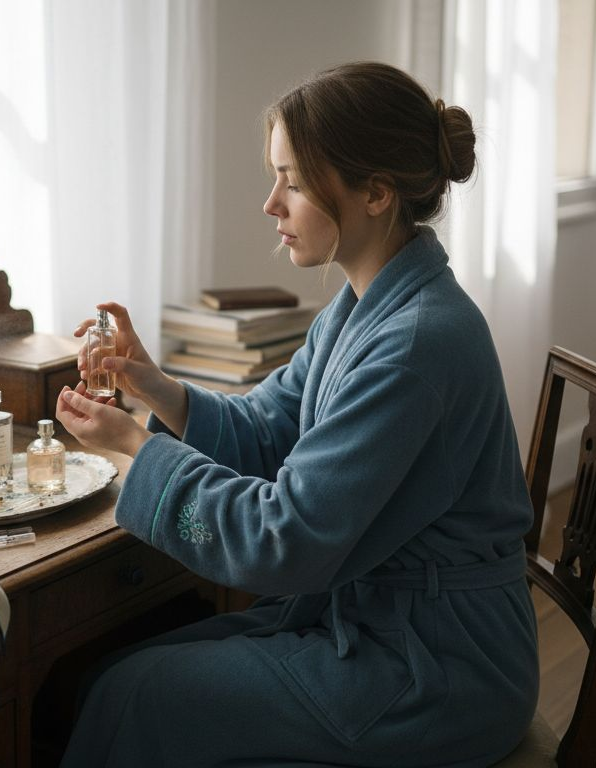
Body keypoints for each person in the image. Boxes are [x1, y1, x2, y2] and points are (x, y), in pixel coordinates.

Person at [52, 62, 538, 767]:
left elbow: (284, 540)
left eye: (296, 181)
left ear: (376, 193)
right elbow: (271, 430)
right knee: (107, 678)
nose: (271, 203)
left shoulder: (415, 344)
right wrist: (152, 386)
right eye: (277, 176)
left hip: (437, 669)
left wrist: (135, 446)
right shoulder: (361, 306)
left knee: (131, 693)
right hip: (381, 628)